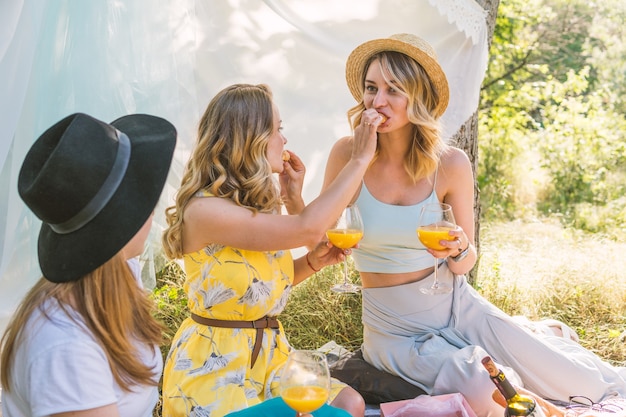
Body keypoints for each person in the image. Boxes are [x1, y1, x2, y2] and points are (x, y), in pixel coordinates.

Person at [321, 33, 626, 417]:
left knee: (588, 382)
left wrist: (460, 247)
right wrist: (357, 161)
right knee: (491, 389)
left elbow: (464, 264)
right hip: (395, 333)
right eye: (371, 88)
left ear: (417, 99)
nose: (377, 101)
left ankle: (537, 337)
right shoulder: (347, 154)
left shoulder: (450, 164)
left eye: (393, 90)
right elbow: (319, 233)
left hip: (458, 307)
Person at [160, 83, 378, 417]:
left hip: (271, 359)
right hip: (216, 368)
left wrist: (310, 259)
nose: (284, 140)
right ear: (250, 138)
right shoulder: (205, 211)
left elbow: (261, 286)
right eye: (277, 129)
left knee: (349, 403)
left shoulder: (258, 205)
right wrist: (360, 158)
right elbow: (308, 228)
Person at [0, 112, 177, 416]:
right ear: (120, 225)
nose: (152, 210)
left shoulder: (120, 273)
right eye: (142, 198)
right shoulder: (63, 347)